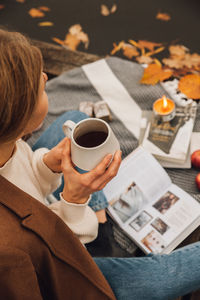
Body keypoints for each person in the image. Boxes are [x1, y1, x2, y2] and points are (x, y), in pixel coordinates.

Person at [0, 29, 200, 300]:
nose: (46, 77)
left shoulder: (7, 145)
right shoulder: (11, 247)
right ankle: (104, 242)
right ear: (18, 116)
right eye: (40, 87)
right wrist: (75, 199)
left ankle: (98, 226)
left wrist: (47, 165)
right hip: (60, 270)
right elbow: (56, 256)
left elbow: (20, 176)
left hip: (45, 220)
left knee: (72, 120)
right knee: (164, 274)